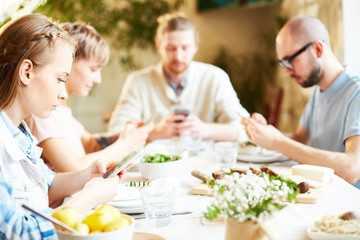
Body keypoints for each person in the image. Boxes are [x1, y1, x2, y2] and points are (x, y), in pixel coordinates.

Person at [0, 14, 124, 239]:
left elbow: (46, 183)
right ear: (26, 72)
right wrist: (87, 200)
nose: (63, 93)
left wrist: (89, 175)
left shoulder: (19, 131)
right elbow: (17, 232)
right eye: (59, 79)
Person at [242, 15, 360, 186]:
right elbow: (298, 138)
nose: (286, 72)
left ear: (318, 49)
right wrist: (265, 133)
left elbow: (352, 169)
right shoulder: (319, 90)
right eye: (283, 64)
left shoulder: (356, 93)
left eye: (290, 60)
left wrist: (277, 142)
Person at [26, 22, 153, 172]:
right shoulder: (44, 112)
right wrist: (125, 144)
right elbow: (74, 168)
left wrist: (130, 135)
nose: (98, 79)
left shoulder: (62, 109)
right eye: (93, 69)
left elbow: (89, 143)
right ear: (69, 60)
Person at [108, 12, 250, 143]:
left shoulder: (215, 77)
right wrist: (155, 132)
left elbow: (245, 129)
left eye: (185, 48)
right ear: (158, 46)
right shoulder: (138, 82)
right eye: (171, 48)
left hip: (205, 165)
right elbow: (115, 135)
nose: (178, 56)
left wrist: (204, 129)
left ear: (195, 46)